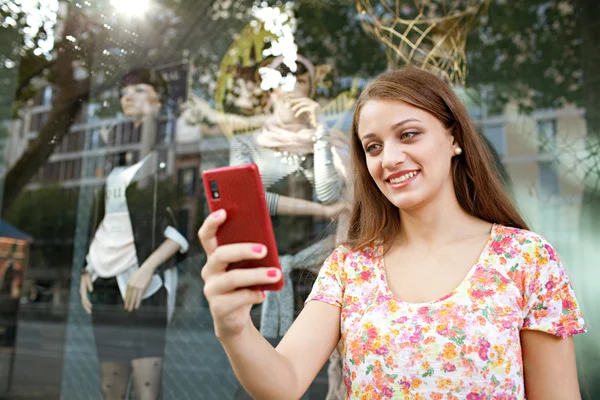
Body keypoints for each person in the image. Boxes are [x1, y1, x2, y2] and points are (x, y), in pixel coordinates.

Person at [198, 67, 586, 399]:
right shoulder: (349, 268)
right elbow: (283, 384)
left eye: (409, 134)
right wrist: (233, 326)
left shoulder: (525, 258)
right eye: (373, 146)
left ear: (453, 138)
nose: (390, 158)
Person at [79, 68, 188, 400]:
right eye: (126, 92)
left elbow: (180, 230)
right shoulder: (117, 152)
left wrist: (147, 268)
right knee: (110, 386)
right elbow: (104, 219)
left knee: (145, 387)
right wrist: (87, 267)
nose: (128, 97)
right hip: (104, 279)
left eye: (140, 90)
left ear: (157, 100)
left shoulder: (165, 154)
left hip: (144, 283)